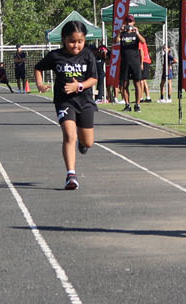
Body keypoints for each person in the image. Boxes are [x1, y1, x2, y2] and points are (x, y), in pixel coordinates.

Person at [34, 20, 99, 191]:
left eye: (80, 41)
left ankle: (83, 145)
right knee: (70, 135)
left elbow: (94, 79)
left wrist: (79, 86)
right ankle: (71, 175)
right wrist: (40, 84)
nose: (76, 45)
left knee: (88, 142)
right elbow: (38, 68)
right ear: (64, 39)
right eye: (72, 41)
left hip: (84, 102)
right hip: (65, 101)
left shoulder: (88, 55)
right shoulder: (56, 56)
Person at [115, 15, 144, 111]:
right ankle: (127, 104)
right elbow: (115, 41)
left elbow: (143, 42)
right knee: (124, 84)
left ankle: (137, 104)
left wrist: (137, 32)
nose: (128, 23)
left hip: (135, 62)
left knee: (137, 84)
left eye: (130, 21)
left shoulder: (135, 34)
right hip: (125, 62)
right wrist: (119, 32)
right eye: (127, 21)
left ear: (133, 23)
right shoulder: (122, 34)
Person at [138, 32, 153, 103]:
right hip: (146, 61)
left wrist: (141, 63)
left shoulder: (140, 43)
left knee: (141, 80)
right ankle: (148, 96)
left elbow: (141, 52)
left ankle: (140, 97)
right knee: (143, 80)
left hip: (144, 61)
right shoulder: (143, 43)